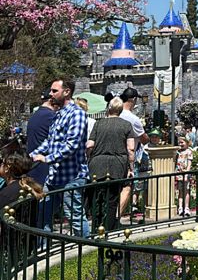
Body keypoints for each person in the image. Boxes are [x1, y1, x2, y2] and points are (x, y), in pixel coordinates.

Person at [30, 78, 91, 237]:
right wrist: (32, 155)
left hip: (71, 176)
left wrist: (47, 159)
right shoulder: (58, 114)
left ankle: (87, 248)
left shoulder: (77, 114)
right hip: (54, 177)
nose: (50, 94)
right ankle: (43, 252)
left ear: (67, 92)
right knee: (43, 214)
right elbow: (50, 142)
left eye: (54, 91)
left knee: (74, 216)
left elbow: (72, 145)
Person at [87, 97, 136, 231]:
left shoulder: (99, 124)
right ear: (120, 110)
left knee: (96, 197)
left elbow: (90, 145)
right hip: (117, 164)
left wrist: (89, 159)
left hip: (97, 163)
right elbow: (130, 149)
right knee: (112, 198)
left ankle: (96, 226)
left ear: (109, 108)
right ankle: (108, 228)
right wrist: (131, 168)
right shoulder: (126, 125)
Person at [118, 87, 148, 218]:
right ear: (133, 100)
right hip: (127, 159)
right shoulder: (133, 119)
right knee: (127, 187)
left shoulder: (113, 113)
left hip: (111, 156)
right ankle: (115, 217)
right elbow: (144, 139)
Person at [26, 91, 58, 188]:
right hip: (45, 168)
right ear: (51, 100)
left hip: (33, 166)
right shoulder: (51, 116)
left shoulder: (35, 115)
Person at [174, 135, 193, 217]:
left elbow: (189, 164)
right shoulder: (178, 152)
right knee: (180, 191)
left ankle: (187, 208)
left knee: (186, 191)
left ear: (187, 143)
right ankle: (180, 207)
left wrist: (187, 173)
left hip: (185, 174)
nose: (180, 144)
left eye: (182, 142)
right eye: (179, 142)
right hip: (179, 174)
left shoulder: (189, 151)